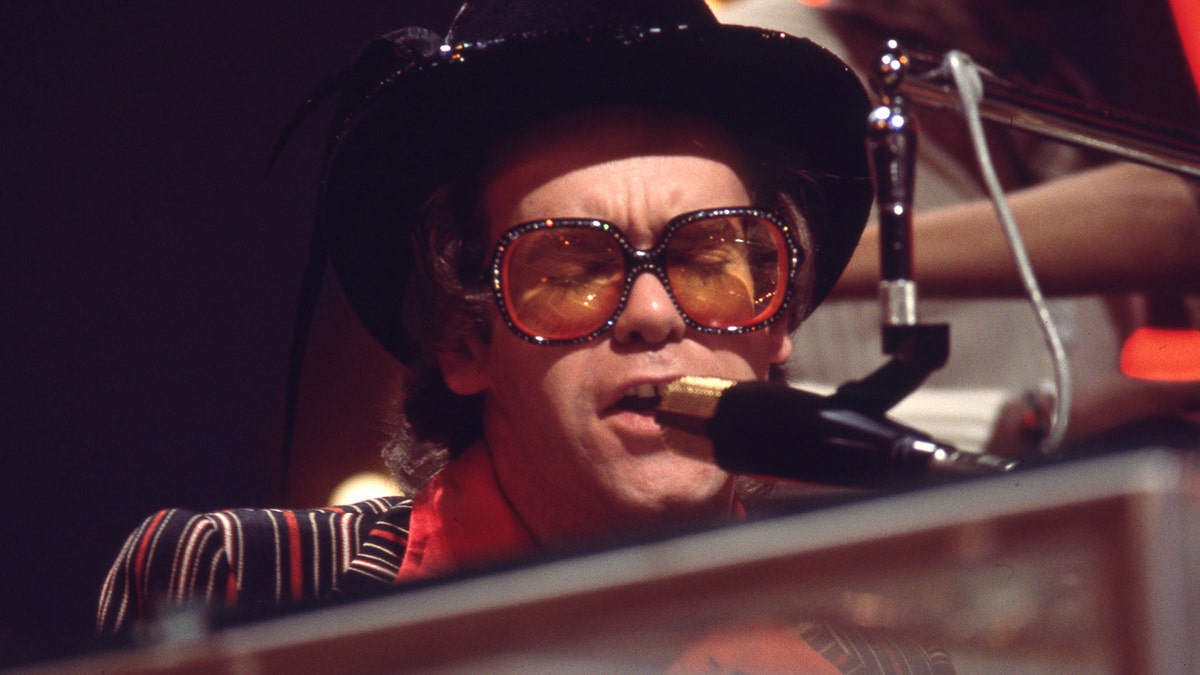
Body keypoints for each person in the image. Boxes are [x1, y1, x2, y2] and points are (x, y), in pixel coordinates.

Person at [98, 2, 956, 670]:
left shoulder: (892, 652)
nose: (654, 315)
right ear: (465, 339)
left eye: (708, 255)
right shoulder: (241, 581)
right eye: (574, 269)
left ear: (778, 320)